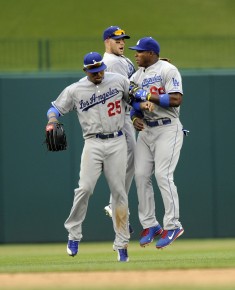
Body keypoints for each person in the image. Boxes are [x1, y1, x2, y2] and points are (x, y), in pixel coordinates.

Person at [46, 52, 153, 262]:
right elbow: (55, 107)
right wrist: (51, 120)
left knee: (119, 192)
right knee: (85, 188)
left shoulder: (119, 80)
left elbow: (136, 96)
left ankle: (122, 244)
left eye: (100, 69)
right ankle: (73, 235)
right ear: (85, 71)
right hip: (93, 142)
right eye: (93, 71)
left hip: (116, 141)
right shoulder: (76, 89)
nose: (98, 74)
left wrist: (143, 105)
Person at [128, 37, 185, 249]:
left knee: (163, 175)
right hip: (147, 130)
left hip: (168, 128)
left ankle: (173, 225)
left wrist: (148, 96)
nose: (136, 54)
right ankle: (151, 224)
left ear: (151, 53)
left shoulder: (168, 70)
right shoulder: (135, 75)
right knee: (141, 175)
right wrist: (134, 117)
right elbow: (133, 103)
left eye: (140, 51)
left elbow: (176, 99)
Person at [102, 26, 136, 233]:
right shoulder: (112, 62)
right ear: (107, 41)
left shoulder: (122, 60)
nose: (121, 42)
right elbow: (129, 92)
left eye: (123, 39)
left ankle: (117, 206)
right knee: (129, 160)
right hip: (121, 117)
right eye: (117, 40)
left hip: (124, 116)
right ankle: (115, 204)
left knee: (131, 162)